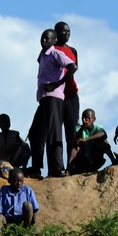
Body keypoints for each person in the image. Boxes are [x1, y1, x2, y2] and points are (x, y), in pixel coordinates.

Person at [29, 28, 77, 178]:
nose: (44, 41)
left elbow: (72, 67)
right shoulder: (43, 55)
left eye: (47, 38)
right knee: (35, 133)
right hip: (44, 98)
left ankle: (56, 169)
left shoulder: (56, 53)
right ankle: (36, 168)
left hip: (54, 97)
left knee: (53, 132)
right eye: (42, 38)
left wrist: (57, 84)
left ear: (54, 41)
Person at [54, 21, 80, 169]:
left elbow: (74, 70)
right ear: (56, 32)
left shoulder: (73, 51)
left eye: (68, 31)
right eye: (63, 31)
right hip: (56, 95)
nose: (67, 33)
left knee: (72, 131)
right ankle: (58, 166)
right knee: (56, 132)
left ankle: (72, 166)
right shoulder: (51, 49)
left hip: (71, 94)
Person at [0, 168, 39, 236]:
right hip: (9, 221)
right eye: (16, 181)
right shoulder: (4, 190)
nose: (19, 184)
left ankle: (26, 232)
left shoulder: (27, 190)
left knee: (27, 205)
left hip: (23, 221)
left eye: (21, 181)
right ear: (9, 181)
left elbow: (34, 209)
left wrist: (33, 227)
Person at [68, 109, 117, 174]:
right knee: (75, 145)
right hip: (83, 161)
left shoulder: (97, 127)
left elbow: (102, 133)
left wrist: (86, 139)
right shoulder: (79, 128)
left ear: (94, 119)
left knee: (104, 141)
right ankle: (68, 169)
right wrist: (82, 127)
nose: (85, 120)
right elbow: (75, 137)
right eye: (83, 118)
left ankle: (113, 160)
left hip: (95, 160)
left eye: (87, 118)